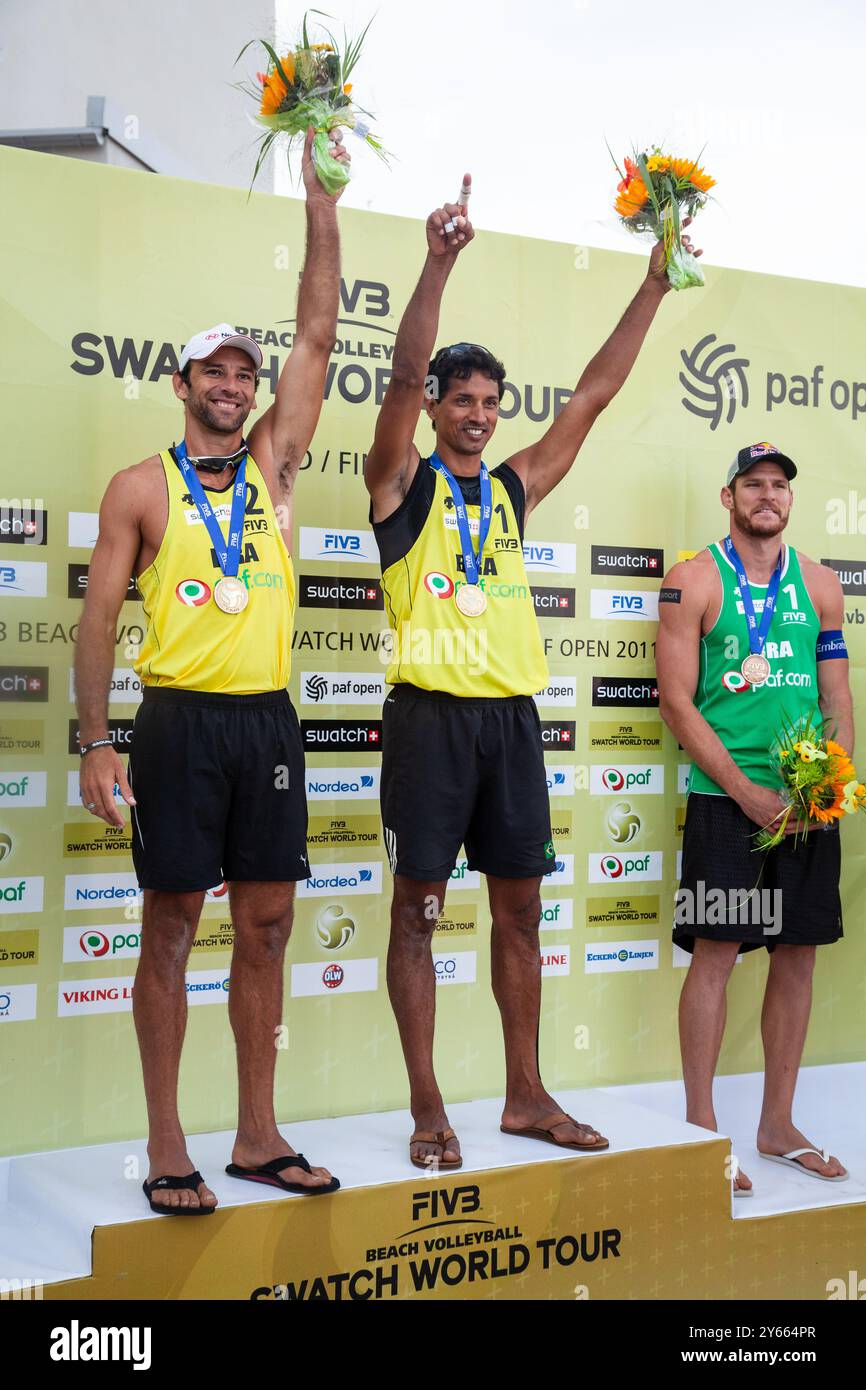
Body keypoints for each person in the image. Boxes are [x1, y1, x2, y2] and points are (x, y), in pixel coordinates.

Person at [364, 175, 699, 1169]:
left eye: (487, 403)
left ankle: (525, 1096)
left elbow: (593, 393)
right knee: (418, 915)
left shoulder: (511, 488)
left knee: (518, 912)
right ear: (432, 406)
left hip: (508, 726)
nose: (475, 415)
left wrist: (649, 285)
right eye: (458, 400)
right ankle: (427, 1106)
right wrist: (438, 263)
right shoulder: (398, 482)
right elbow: (393, 379)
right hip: (427, 725)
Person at [76, 131, 347, 1214]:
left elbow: (319, 332)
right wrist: (97, 740)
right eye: (216, 372)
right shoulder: (139, 486)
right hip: (180, 724)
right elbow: (98, 617)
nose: (234, 386)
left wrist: (322, 202)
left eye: (246, 372)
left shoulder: (276, 460)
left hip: (268, 725)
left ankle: (257, 1133)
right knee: (173, 926)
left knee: (270, 924)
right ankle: (165, 1140)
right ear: (183, 383)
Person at [657, 443, 851, 1193]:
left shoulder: (823, 585)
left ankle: (777, 1124)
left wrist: (824, 786)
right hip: (726, 803)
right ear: (728, 496)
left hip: (805, 809)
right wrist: (745, 791)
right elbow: (677, 702)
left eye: (779, 486)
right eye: (753, 485)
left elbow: (837, 699)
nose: (767, 496)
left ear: (790, 501)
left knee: (797, 955)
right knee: (717, 954)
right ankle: (701, 1131)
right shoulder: (695, 578)